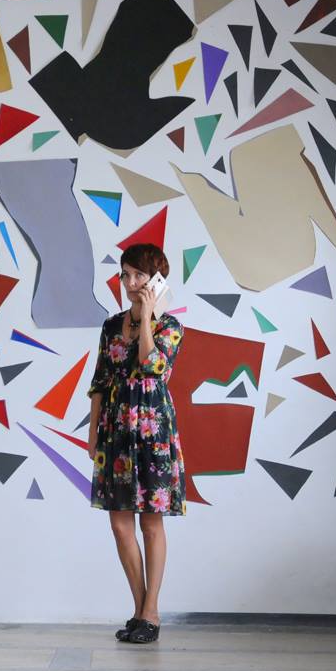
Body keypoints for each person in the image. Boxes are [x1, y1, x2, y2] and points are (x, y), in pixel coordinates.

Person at [86, 242, 186, 644]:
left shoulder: (170, 327)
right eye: (125, 275)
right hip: (115, 429)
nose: (129, 282)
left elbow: (152, 365)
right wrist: (93, 434)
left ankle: (151, 612)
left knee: (150, 522)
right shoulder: (111, 325)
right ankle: (141, 608)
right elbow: (99, 381)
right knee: (119, 524)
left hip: (152, 432)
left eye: (138, 275)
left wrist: (146, 317)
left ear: (156, 280)